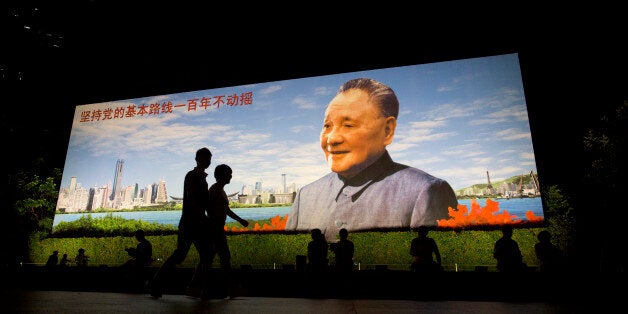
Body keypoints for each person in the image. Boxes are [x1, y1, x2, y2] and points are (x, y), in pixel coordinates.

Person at [285, 78, 458, 241]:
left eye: (348, 125)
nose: (332, 139)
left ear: (387, 130)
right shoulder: (305, 196)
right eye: (327, 126)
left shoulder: (426, 192)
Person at [147, 147, 214, 298]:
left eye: (209, 158)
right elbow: (192, 199)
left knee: (202, 255)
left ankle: (199, 289)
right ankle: (198, 289)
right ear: (198, 160)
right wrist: (204, 217)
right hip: (191, 223)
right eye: (206, 158)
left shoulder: (203, 179)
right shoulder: (192, 176)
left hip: (194, 223)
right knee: (188, 255)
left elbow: (202, 202)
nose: (208, 161)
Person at [204, 164, 249, 298]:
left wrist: (240, 220)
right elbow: (211, 209)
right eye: (229, 173)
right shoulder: (216, 190)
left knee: (209, 259)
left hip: (215, 228)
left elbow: (226, 210)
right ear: (222, 175)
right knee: (224, 258)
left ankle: (205, 290)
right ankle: (229, 289)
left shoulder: (219, 190)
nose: (231, 176)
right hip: (215, 229)